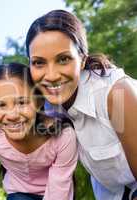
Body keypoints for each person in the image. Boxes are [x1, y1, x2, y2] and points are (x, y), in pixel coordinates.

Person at [25, 9, 137, 200]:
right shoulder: (47, 106)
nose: (51, 76)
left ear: (83, 60)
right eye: (39, 63)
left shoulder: (116, 94)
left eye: (63, 59)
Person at [0, 63, 78, 200]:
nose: (12, 115)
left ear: (38, 102)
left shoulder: (63, 137)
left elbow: (59, 190)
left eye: (22, 103)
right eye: (0, 105)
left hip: (57, 192)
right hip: (18, 194)